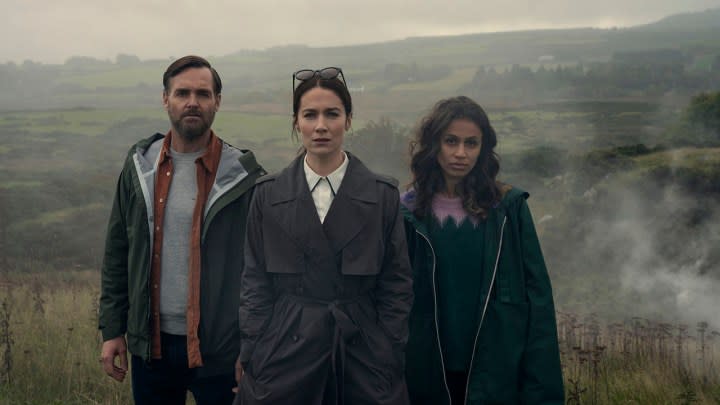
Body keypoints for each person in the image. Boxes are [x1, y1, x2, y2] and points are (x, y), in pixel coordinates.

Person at [235, 67, 413, 405]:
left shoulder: (382, 195)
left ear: (347, 120)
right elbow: (254, 281)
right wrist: (254, 350)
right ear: (296, 122)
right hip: (284, 352)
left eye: (332, 114)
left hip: (363, 353)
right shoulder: (267, 195)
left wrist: (388, 348)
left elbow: (397, 283)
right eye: (310, 114)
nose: (321, 126)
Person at [98, 55, 265, 405]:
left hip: (220, 350)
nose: (193, 102)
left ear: (217, 101)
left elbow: (260, 271)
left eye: (203, 94)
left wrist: (252, 347)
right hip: (152, 347)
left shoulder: (244, 178)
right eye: (182, 92)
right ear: (165, 99)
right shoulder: (139, 169)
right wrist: (113, 330)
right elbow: (118, 251)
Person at [401, 96, 564, 404]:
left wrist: (543, 393)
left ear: (483, 149)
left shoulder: (508, 210)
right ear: (433, 144)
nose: (460, 153)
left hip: (496, 376)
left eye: (471, 143)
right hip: (425, 376)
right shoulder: (407, 214)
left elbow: (537, 302)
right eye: (451, 141)